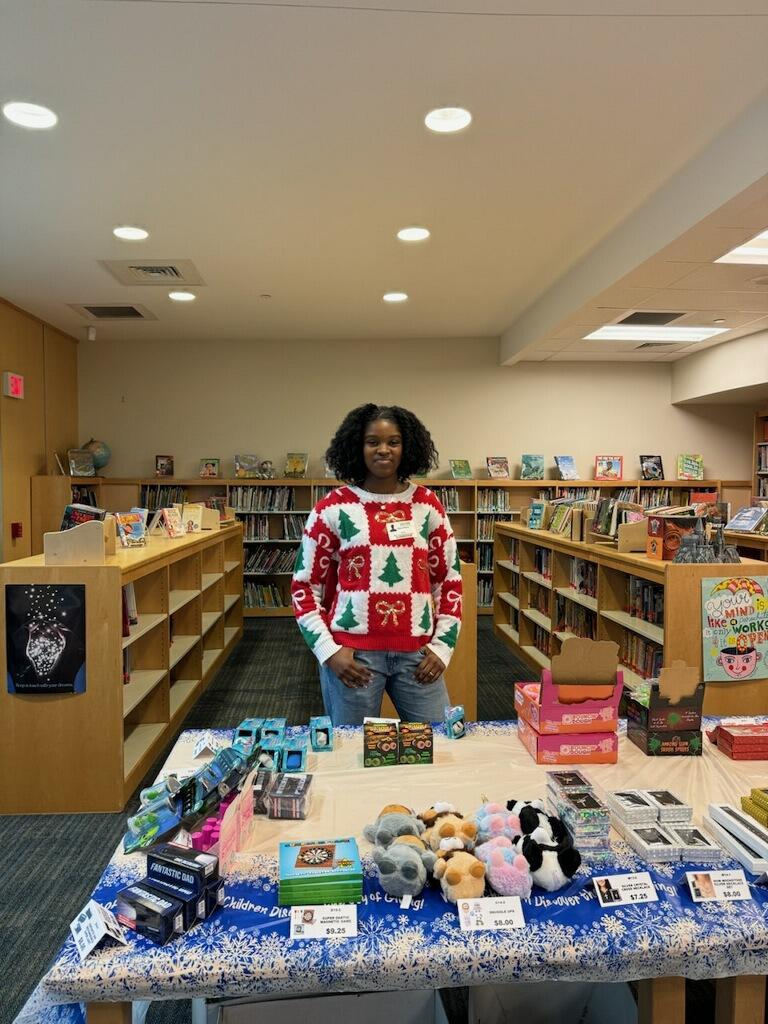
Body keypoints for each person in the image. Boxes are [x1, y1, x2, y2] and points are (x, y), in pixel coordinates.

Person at [291, 403, 462, 725]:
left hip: (418, 655)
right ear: (357, 447)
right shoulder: (332, 507)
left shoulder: (427, 505)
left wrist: (443, 647)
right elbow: (303, 587)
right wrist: (328, 651)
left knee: (438, 742)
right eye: (373, 442)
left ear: (407, 447)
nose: (384, 450)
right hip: (353, 657)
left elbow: (448, 581)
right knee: (353, 749)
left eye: (393, 442)